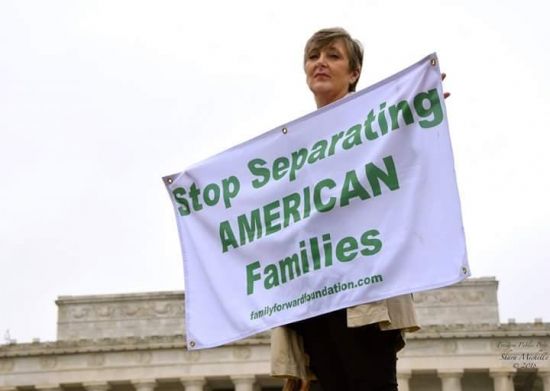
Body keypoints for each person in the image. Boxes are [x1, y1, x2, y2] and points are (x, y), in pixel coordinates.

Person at [270, 27, 422, 391]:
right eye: (313, 56)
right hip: (312, 292)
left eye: (333, 56)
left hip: (363, 288)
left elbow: (410, 171)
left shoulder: (380, 123)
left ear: (354, 73)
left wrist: (421, 113)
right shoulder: (291, 147)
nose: (320, 63)